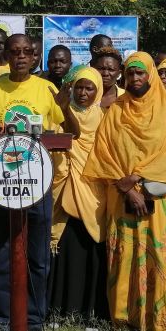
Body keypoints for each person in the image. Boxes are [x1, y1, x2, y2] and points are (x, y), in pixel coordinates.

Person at [0, 34, 79, 330]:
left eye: (27, 52)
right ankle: (4, 318)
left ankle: (34, 319)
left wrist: (66, 108)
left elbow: (72, 133)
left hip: (36, 184)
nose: (20, 57)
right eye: (15, 52)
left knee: (38, 258)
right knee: (2, 257)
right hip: (1, 185)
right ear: (8, 56)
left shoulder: (47, 89)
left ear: (35, 56)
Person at [83, 51, 166, 331]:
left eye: (141, 73)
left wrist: (136, 179)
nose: (135, 78)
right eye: (131, 73)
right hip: (122, 198)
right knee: (125, 259)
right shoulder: (116, 110)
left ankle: (161, 322)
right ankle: (125, 321)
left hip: (157, 200)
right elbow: (103, 152)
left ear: (150, 75)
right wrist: (126, 188)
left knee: (160, 258)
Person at [48, 67, 108, 319]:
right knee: (61, 246)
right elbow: (65, 137)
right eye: (79, 87)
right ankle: (57, 309)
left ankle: (87, 310)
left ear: (98, 91)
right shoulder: (58, 110)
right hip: (62, 186)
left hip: (92, 189)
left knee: (88, 245)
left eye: (89, 88)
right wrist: (62, 108)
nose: (83, 93)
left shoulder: (104, 117)